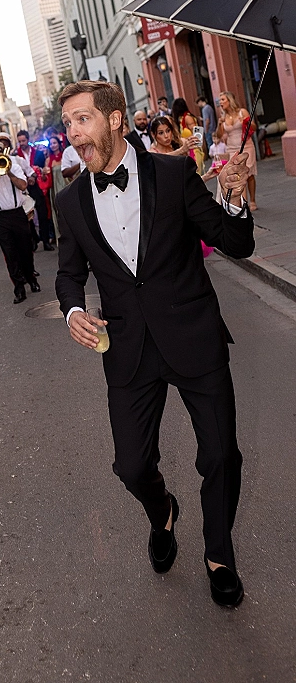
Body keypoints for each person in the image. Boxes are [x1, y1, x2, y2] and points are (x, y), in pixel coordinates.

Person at [55, 80, 254, 608]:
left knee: (220, 455)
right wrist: (73, 310)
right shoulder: (70, 201)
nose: (73, 134)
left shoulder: (172, 172)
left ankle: (219, 553)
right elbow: (68, 274)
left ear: (115, 119)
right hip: (127, 349)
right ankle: (162, 510)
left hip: (193, 336)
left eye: (82, 120)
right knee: (131, 466)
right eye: (68, 124)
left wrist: (232, 197)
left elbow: (234, 242)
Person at [0, 140, 40, 304]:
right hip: (0, 218)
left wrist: (8, 173)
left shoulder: (14, 167)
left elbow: (23, 185)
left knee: (25, 251)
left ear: (2, 154)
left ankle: (31, 279)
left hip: (18, 214)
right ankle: (19, 288)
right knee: (10, 254)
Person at [216, 90, 258, 212]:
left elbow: (254, 127)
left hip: (246, 147)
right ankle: (243, 203)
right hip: (232, 149)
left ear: (230, 100)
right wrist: (219, 124)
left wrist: (245, 121)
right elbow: (219, 135)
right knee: (238, 175)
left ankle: (253, 200)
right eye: (220, 101)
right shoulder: (223, 117)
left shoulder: (242, 112)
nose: (221, 103)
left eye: (223, 100)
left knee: (249, 174)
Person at [15, 130, 53, 251]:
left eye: (23, 141)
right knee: (27, 215)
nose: (22, 143)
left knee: (42, 213)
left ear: (28, 139)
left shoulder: (39, 153)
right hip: (24, 187)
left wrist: (37, 173)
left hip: (37, 186)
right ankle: (34, 239)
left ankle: (45, 240)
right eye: (19, 141)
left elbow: (43, 168)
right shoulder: (15, 156)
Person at [171, 98, 205, 174]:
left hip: (194, 150)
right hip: (186, 150)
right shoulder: (181, 118)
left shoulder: (187, 117)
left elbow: (197, 133)